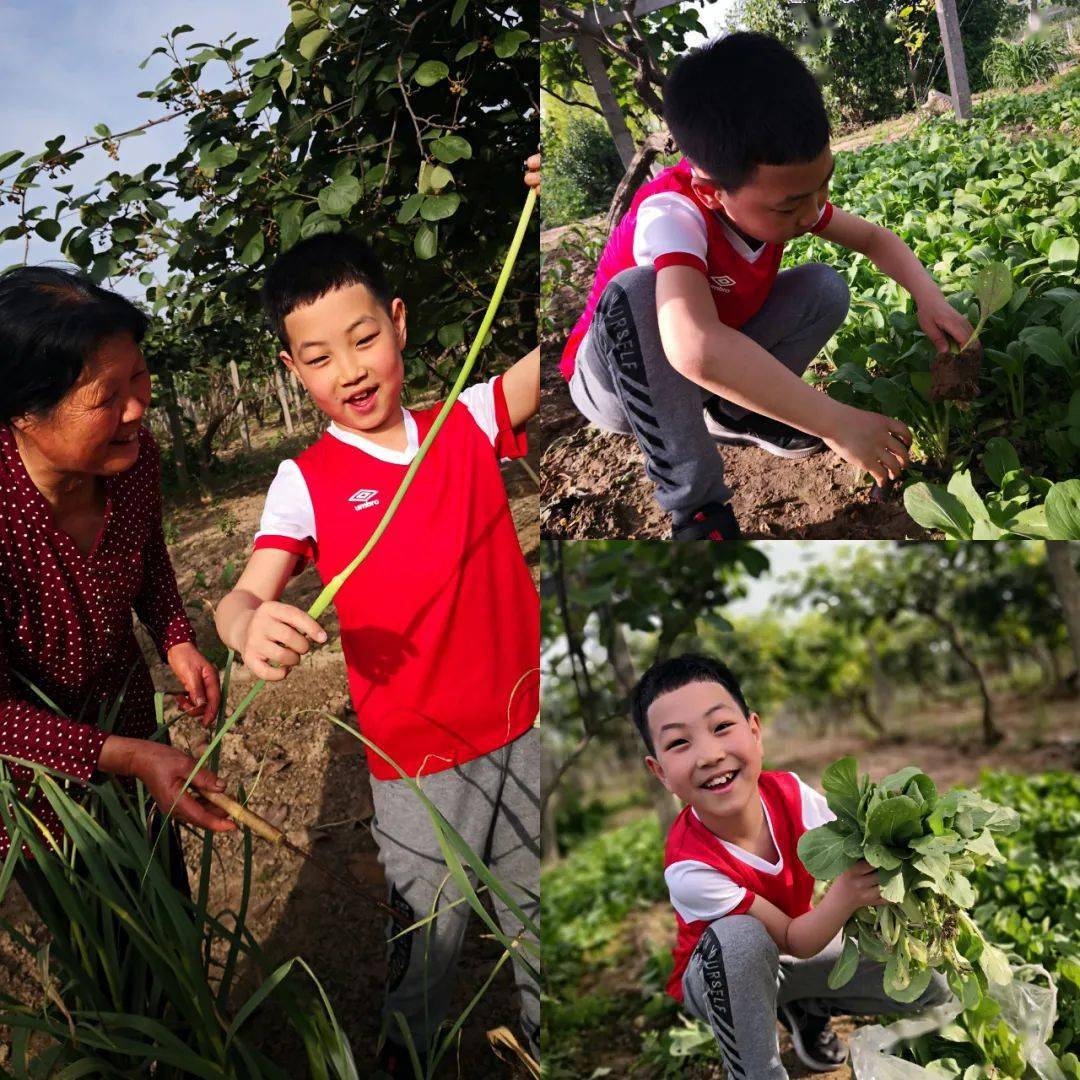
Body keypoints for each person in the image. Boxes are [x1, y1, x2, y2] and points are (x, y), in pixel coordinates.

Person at [214, 159, 542, 1075]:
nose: (348, 371)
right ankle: (410, 1060)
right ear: (291, 371)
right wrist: (244, 625)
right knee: (428, 950)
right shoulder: (304, 481)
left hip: (527, 724)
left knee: (538, 923)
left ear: (399, 325)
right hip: (415, 763)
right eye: (317, 358)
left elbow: (571, 348)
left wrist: (551, 203)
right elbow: (245, 592)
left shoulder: (468, 421)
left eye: (363, 339)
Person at [560, 33, 975, 540]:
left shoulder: (790, 198)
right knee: (645, 292)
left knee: (823, 286)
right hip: (619, 389)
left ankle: (737, 415)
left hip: (705, 362)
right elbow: (691, 346)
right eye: (790, 205)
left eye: (824, 184)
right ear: (711, 193)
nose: (813, 210)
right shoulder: (669, 213)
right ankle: (698, 512)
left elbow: (875, 239)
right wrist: (834, 421)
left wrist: (929, 298)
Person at [0, 266, 235, 877]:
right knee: (99, 941)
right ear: (23, 413)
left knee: (165, 895)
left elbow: (147, 556)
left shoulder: (133, 460)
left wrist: (177, 639)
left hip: (130, 723)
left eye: (139, 377)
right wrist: (127, 757)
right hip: (37, 781)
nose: (136, 408)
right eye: (106, 398)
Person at [630, 653, 950, 1076]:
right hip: (720, 981)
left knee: (930, 983)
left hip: (796, 953)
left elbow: (855, 849)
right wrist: (848, 895)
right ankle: (755, 1071)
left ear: (755, 731)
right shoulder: (690, 868)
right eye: (678, 743)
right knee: (741, 940)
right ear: (660, 773)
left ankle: (807, 1007)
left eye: (722, 726)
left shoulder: (791, 793)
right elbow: (793, 939)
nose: (709, 754)